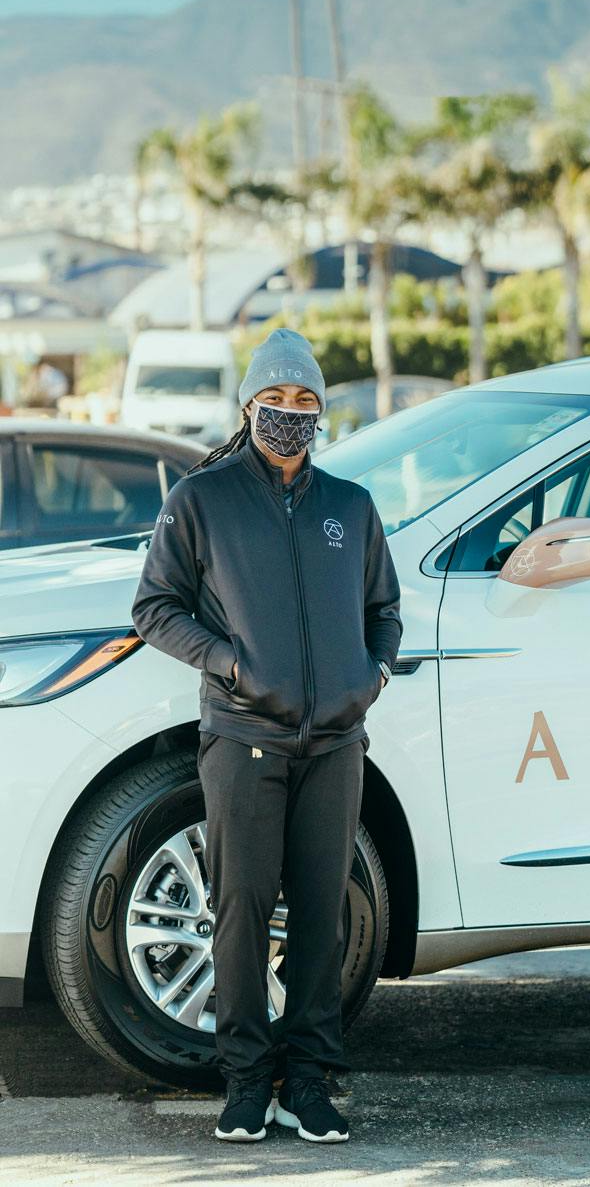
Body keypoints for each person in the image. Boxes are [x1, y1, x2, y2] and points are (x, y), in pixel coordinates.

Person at [131, 327, 402, 1145]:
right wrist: (227, 662)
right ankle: (247, 1081)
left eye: (304, 402)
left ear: (321, 411)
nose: (290, 414)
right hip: (243, 737)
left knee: (323, 917)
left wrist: (372, 676)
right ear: (249, 405)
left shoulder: (349, 508)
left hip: (335, 746)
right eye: (275, 400)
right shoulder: (201, 500)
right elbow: (154, 608)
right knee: (242, 912)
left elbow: (383, 612)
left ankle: (310, 1082)